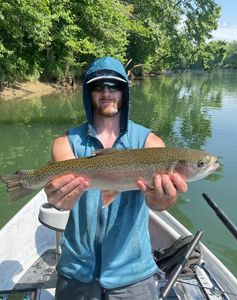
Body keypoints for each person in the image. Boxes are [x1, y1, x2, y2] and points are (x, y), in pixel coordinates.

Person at [44, 56, 187, 300]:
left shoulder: (150, 143)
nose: (107, 92)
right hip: (76, 269)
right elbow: (62, 198)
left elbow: (157, 204)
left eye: (115, 85)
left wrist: (163, 201)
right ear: (88, 93)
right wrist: (59, 199)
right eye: (99, 86)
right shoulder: (65, 142)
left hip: (133, 271)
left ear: (125, 91)